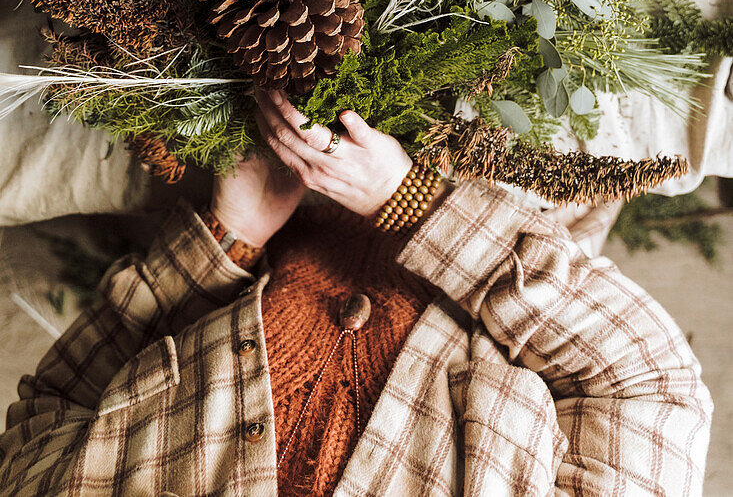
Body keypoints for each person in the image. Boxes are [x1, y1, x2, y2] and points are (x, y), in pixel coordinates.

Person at [0, 90, 712, 497]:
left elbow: (57, 412)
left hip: (235, 166)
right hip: (512, 169)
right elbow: (646, 385)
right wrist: (412, 204)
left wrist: (225, 239)